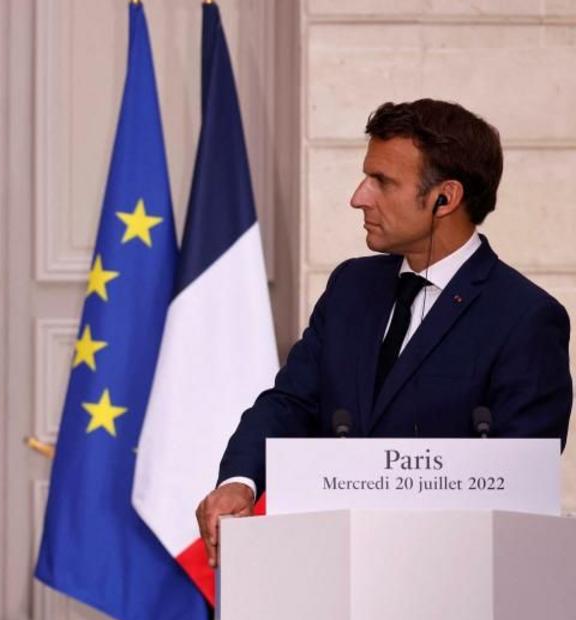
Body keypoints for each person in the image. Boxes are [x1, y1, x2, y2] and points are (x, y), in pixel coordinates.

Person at [195, 99, 573, 566]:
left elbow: (519, 481)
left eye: (382, 181)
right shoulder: (351, 285)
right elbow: (290, 402)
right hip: (327, 568)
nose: (359, 197)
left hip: (450, 578)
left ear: (445, 198)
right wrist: (240, 482)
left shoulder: (525, 318)